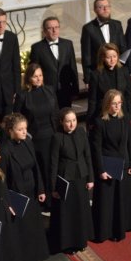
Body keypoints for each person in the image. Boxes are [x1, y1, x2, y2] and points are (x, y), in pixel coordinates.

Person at [0, 113, 50, 261]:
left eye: (25, 129)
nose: (24, 132)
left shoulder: (28, 142)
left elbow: (36, 168)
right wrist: (8, 203)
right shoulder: (4, 150)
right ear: (10, 131)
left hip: (32, 191)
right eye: (20, 129)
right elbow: (3, 181)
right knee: (22, 232)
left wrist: (41, 189)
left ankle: (34, 258)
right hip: (17, 196)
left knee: (33, 228)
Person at [90, 89, 131, 242]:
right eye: (114, 103)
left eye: (119, 103)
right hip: (108, 166)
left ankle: (120, 228)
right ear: (107, 104)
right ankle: (107, 231)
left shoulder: (125, 120)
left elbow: (129, 142)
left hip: (123, 164)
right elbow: (96, 149)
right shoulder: (100, 123)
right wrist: (101, 170)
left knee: (121, 199)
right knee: (108, 201)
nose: (117, 106)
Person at [49, 108, 95, 253]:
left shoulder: (81, 132)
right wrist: (53, 187)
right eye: (68, 121)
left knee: (80, 211)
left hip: (81, 176)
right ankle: (68, 244)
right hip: (65, 179)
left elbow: (88, 155)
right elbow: (53, 163)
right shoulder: (57, 137)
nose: (71, 124)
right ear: (61, 122)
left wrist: (91, 178)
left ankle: (80, 241)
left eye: (74, 120)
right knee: (68, 213)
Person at [15, 63, 59, 205]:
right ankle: (46, 200)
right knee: (43, 169)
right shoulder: (23, 96)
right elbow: (17, 118)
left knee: (54, 166)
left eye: (40, 75)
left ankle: (57, 195)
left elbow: (56, 113)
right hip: (35, 139)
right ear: (28, 78)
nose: (39, 79)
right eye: (35, 76)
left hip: (52, 135)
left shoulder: (50, 90)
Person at [29, 16, 80, 108]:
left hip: (65, 90)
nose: (54, 30)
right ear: (44, 31)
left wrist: (75, 89)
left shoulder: (68, 44)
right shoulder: (37, 48)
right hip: (47, 92)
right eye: (50, 28)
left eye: (56, 27)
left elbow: (73, 67)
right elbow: (33, 71)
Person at [80, 0, 127, 89]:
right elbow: (86, 55)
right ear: (95, 10)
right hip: (99, 73)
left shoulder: (117, 25)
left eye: (107, 6)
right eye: (101, 7)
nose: (105, 9)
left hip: (116, 71)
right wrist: (87, 78)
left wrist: (122, 69)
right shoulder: (88, 28)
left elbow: (123, 47)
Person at [87, 43, 131, 124]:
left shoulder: (124, 71)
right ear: (102, 58)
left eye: (115, 56)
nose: (112, 60)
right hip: (104, 115)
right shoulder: (96, 75)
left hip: (122, 113)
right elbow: (93, 100)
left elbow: (128, 96)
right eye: (109, 57)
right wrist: (90, 120)